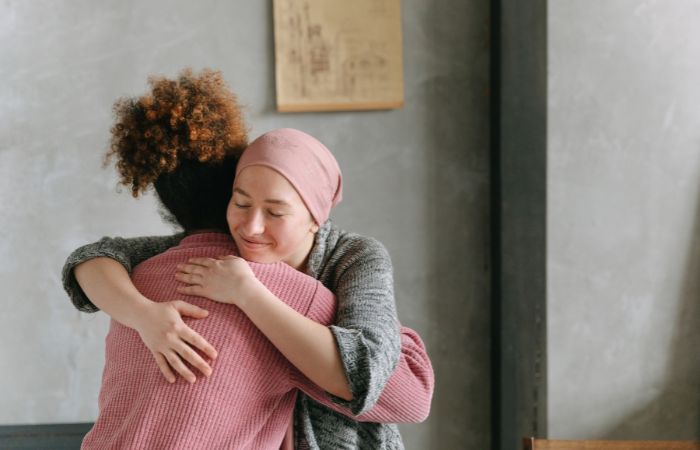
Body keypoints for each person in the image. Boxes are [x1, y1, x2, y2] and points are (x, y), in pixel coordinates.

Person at [64, 69, 433, 449]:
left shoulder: (353, 258)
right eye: (240, 203)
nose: (252, 227)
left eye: (275, 212)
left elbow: (392, 384)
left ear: (316, 218)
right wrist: (144, 314)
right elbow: (93, 257)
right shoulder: (197, 260)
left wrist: (249, 294)